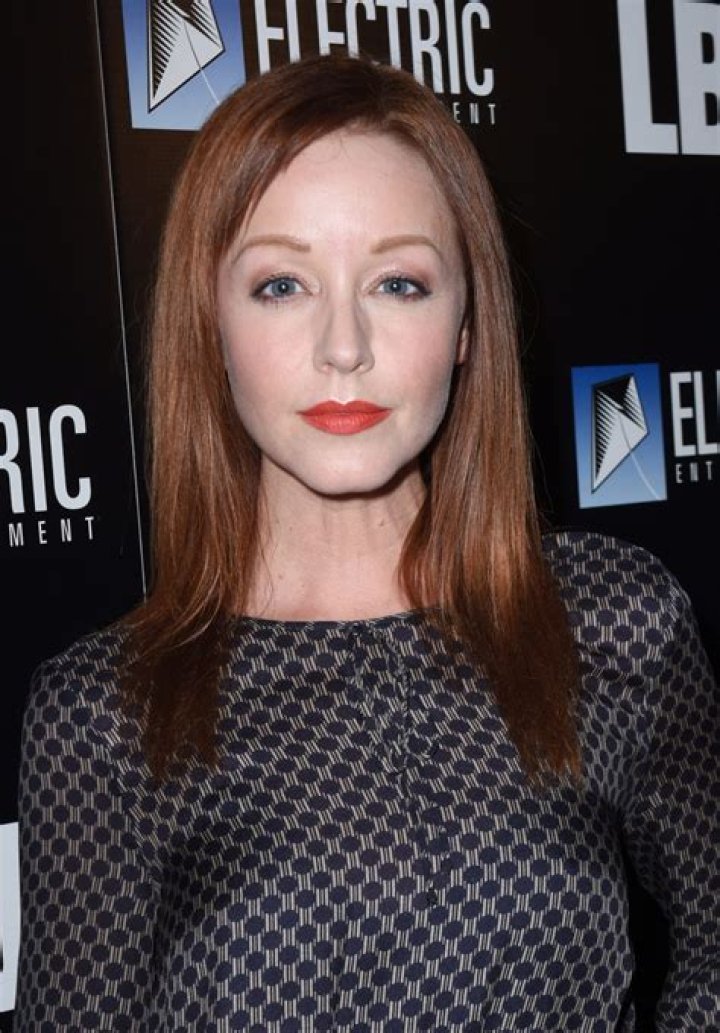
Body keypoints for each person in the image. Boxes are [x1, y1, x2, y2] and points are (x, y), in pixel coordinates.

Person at [14, 53, 718, 1032]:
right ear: (209, 325)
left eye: (397, 282)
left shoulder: (612, 621)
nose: (344, 346)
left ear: (467, 322)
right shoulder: (108, 713)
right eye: (281, 285)